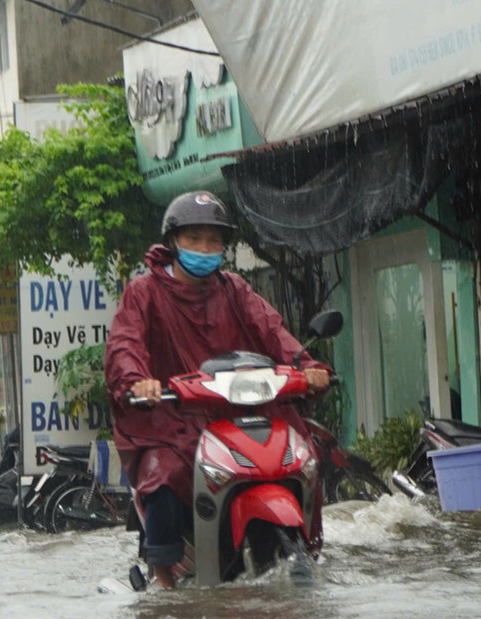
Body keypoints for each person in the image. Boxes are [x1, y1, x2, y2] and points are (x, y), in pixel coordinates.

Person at [104, 191, 332, 589]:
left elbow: (273, 332)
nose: (205, 249)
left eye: (214, 241)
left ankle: (310, 546)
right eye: (195, 240)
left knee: (303, 453)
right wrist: (137, 380)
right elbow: (126, 344)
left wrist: (308, 368)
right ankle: (164, 583)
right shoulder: (143, 292)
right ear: (174, 242)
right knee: (164, 473)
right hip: (173, 418)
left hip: (242, 410)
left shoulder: (236, 289)